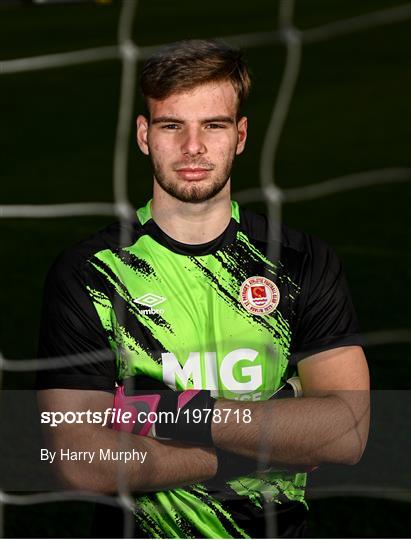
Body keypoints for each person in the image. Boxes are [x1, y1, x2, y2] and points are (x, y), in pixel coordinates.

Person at [37, 39, 370, 538]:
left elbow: (348, 432)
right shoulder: (92, 273)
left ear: (239, 136)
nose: (193, 146)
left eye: (212, 125)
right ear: (144, 135)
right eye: (173, 125)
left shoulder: (300, 261)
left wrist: (164, 412)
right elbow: (76, 458)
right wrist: (253, 447)